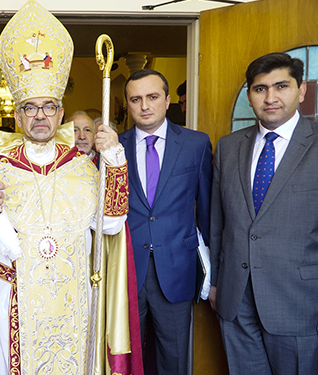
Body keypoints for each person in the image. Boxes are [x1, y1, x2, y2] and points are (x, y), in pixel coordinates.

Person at [0, 0, 142, 375]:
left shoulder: (82, 168)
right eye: (30, 108)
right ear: (17, 114)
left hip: (74, 300)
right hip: (12, 300)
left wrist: (114, 159)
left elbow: (112, 225)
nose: (40, 116)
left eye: (49, 106)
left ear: (61, 112)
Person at [210, 52, 318, 374]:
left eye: (281, 86)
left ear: (301, 91)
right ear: (249, 96)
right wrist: (215, 283)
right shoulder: (228, 147)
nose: (270, 97)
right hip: (235, 298)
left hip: (299, 302)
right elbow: (218, 222)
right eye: (260, 89)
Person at [118, 69, 212, 375]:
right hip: (128, 270)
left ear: (168, 100)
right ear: (128, 104)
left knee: (174, 359)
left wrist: (214, 272)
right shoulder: (113, 149)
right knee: (128, 358)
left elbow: (209, 211)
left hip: (177, 268)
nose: (145, 105)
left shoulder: (196, 144)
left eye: (152, 97)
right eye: (136, 99)